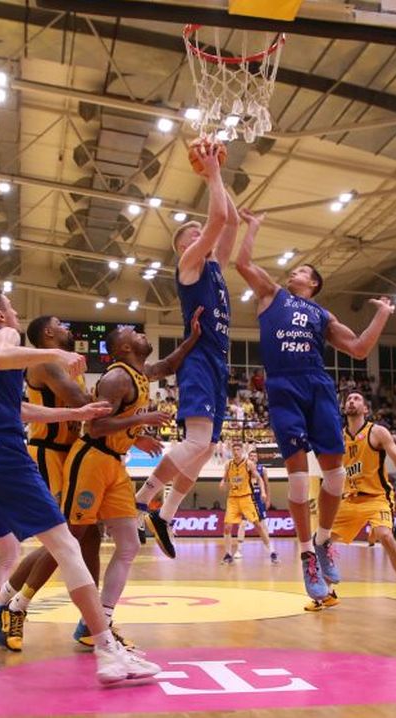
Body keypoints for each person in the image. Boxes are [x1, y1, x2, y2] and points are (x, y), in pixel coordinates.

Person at [0, 285, 159, 685]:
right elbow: (4, 355)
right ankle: (107, 652)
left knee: (6, 552)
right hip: (2, 451)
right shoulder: (3, 337)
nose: (15, 313)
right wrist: (54, 354)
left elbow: (18, 409)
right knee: (67, 545)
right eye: (10, 308)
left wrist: (74, 413)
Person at [232, 208, 396, 605]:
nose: (294, 272)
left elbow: (360, 348)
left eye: (302, 270)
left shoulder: (323, 314)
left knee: (335, 475)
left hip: (318, 384)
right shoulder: (272, 295)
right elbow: (242, 263)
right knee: (298, 478)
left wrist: (382, 315)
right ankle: (306, 554)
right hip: (283, 384)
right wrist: (252, 227)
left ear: (314, 283)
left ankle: (323, 542)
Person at [59, 318, 201, 648]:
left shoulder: (141, 373)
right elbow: (96, 427)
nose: (141, 334)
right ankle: (16, 600)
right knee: (70, 538)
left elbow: (169, 365)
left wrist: (193, 336)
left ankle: (99, 622)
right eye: (134, 333)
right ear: (124, 347)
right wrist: (142, 420)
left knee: (129, 545)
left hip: (115, 463)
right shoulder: (117, 378)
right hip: (91, 459)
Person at [135, 143, 238, 559]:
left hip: (217, 363)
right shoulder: (190, 264)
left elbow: (229, 222)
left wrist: (220, 178)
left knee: (208, 447)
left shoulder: (214, 267)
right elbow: (219, 220)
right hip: (198, 359)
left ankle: (165, 516)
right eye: (195, 234)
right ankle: (142, 499)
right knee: (196, 442)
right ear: (184, 246)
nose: (203, 235)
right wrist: (212, 173)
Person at [0, 315, 97, 652]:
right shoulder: (45, 363)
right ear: (48, 332)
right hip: (48, 453)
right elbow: (81, 402)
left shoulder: (63, 364)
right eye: (61, 324)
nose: (67, 328)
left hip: (69, 452)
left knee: (91, 532)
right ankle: (8, 604)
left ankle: (92, 622)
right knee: (66, 536)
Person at [326, 391, 396, 616]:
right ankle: (327, 592)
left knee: (385, 535)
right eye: (348, 399)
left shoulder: (377, 432)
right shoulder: (339, 437)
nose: (351, 401)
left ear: (365, 409)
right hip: (349, 499)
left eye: (356, 399)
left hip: (377, 497)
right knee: (323, 541)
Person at [219, 441, 274, 564]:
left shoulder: (248, 464)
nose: (236, 452)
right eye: (234, 450)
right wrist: (222, 482)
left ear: (242, 451)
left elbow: (260, 479)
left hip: (246, 498)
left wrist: (264, 493)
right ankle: (228, 554)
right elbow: (225, 478)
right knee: (227, 526)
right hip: (233, 499)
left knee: (258, 525)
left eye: (238, 450)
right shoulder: (228, 464)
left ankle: (272, 551)